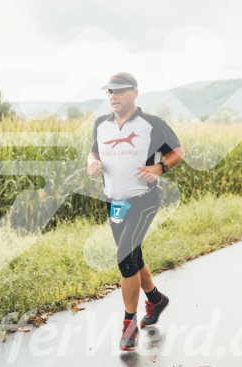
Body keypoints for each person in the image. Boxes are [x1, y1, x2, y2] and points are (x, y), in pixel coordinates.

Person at [87, 72, 185, 351]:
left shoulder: (152, 124)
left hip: (144, 200)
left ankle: (129, 327)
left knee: (125, 257)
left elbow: (178, 151)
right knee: (134, 255)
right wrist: (91, 164)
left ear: (135, 92)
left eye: (119, 91)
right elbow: (93, 153)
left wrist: (160, 167)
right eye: (110, 92)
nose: (113, 97)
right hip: (114, 202)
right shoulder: (100, 124)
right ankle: (156, 299)